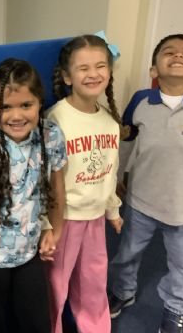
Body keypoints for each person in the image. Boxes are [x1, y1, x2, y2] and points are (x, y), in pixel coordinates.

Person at [0, 58, 67, 333]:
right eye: (5, 107)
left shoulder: (51, 135)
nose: (16, 115)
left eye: (26, 105)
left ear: (40, 103)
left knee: (38, 323)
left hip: (29, 251)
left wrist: (55, 230)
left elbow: (57, 186)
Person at [46, 33, 125, 333]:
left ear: (110, 71)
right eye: (83, 68)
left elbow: (110, 171)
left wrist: (112, 210)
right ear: (68, 76)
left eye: (100, 66)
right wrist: (46, 224)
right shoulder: (56, 119)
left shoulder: (109, 121)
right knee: (56, 286)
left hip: (95, 219)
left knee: (94, 282)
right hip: (63, 220)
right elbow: (45, 178)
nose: (93, 74)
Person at [108, 34, 183, 333]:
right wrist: (117, 178)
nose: (178, 55)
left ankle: (176, 308)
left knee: (181, 264)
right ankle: (123, 291)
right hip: (141, 199)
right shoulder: (141, 100)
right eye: (169, 52)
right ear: (154, 69)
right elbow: (127, 141)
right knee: (127, 252)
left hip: (181, 208)